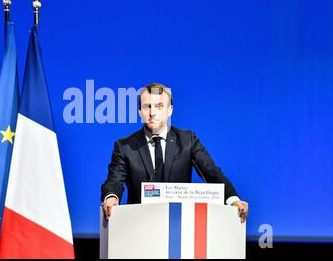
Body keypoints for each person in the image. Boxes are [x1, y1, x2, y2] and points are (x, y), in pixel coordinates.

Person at [101, 83, 249, 222]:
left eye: (159, 106)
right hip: (140, 226)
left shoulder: (187, 141)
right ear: (140, 111)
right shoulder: (124, 146)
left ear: (170, 110)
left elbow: (211, 172)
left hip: (179, 228)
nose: (153, 113)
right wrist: (111, 197)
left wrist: (233, 200)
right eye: (147, 106)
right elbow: (114, 180)